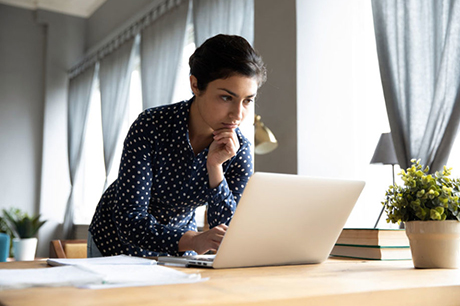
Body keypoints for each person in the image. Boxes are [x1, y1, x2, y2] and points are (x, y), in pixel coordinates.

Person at [87, 34, 267, 257]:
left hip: (183, 243)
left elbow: (228, 230)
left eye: (247, 100)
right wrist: (192, 239)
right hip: (116, 241)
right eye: (225, 97)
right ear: (195, 85)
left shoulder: (239, 150)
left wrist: (215, 167)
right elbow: (130, 219)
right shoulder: (151, 126)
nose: (238, 114)